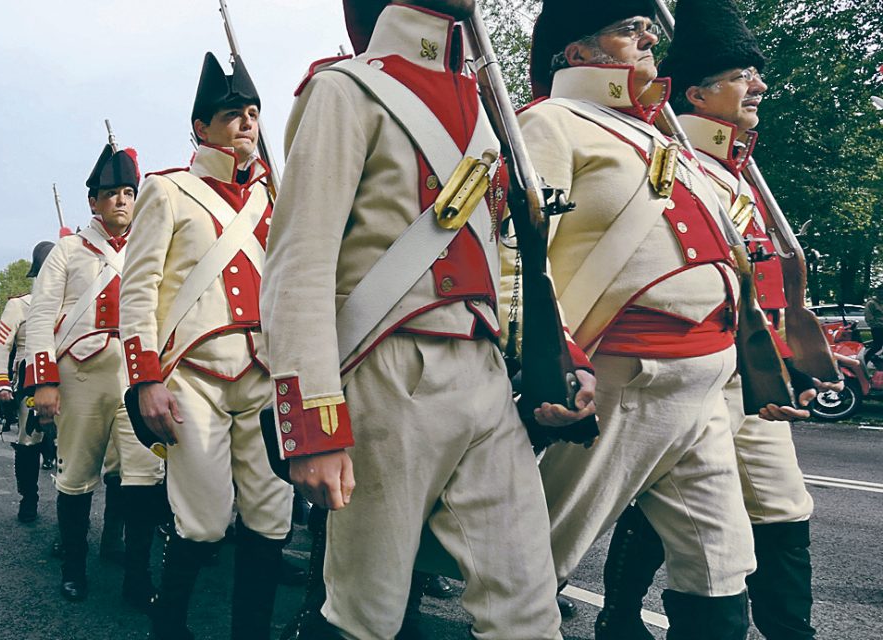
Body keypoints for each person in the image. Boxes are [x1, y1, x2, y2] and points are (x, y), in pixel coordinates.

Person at [262, 2, 594, 638]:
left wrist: (562, 356)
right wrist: (313, 427)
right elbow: (299, 266)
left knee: (529, 612)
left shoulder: (485, 107)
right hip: (389, 370)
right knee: (365, 615)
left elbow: (506, 262)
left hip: (484, 369)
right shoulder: (346, 89)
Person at [519, 0, 811, 633]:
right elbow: (518, 261)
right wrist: (547, 362)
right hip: (625, 375)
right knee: (532, 558)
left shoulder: (660, 137)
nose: (650, 36)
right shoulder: (549, 122)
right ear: (577, 52)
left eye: (648, 26)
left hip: (706, 378)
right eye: (629, 28)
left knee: (721, 567)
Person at [121, 51, 293, 639]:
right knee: (204, 521)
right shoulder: (168, 190)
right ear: (201, 126)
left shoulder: (275, 196)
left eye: (253, 113)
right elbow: (138, 290)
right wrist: (145, 378)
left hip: (265, 373)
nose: (247, 122)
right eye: (232, 114)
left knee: (271, 516)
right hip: (193, 377)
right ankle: (168, 624)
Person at [25, 142, 167, 605]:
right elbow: (41, 318)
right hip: (81, 376)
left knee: (144, 475)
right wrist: (44, 381)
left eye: (129, 192)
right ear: (93, 201)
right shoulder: (69, 250)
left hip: (137, 376)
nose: (122, 200)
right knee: (77, 476)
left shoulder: (151, 245)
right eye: (111, 194)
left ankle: (137, 576)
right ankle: (74, 569)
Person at [0, 241, 56, 522]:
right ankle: (28, 498)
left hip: (70, 380)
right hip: (30, 380)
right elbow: (1, 344)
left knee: (71, 446)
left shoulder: (75, 303)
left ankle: (69, 510)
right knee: (29, 440)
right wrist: (1, 382)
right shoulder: (20, 305)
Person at [865, 286, 883, 366]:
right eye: (879, 292)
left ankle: (876, 358)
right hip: (877, 328)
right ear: (876, 293)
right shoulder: (871, 303)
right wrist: (875, 325)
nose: (881, 294)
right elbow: (868, 317)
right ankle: (865, 359)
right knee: (877, 345)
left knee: (879, 345)